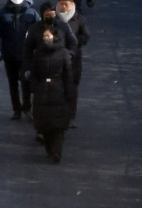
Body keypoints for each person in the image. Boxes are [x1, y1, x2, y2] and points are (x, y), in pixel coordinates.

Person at [30, 28, 75, 163]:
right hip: (42, 91)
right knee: (44, 124)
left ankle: (57, 151)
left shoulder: (63, 53)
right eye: (44, 36)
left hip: (58, 90)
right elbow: (34, 73)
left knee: (58, 125)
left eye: (48, 36)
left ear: (55, 37)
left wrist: (69, 91)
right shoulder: (38, 53)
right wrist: (34, 88)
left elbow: (68, 74)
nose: (46, 39)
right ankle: (49, 148)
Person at [0, 0, 40, 121]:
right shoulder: (2, 14)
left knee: (26, 83)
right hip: (9, 55)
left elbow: (40, 31)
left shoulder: (32, 13)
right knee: (12, 84)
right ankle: (16, 110)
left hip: (26, 56)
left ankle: (27, 108)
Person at [22, 1, 78, 103]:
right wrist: (27, 67)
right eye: (48, 15)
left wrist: (69, 55)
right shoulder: (34, 29)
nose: (51, 17)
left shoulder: (63, 27)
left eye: (53, 14)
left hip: (59, 65)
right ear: (42, 15)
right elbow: (27, 49)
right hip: (41, 66)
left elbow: (73, 43)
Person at [57, 0, 90, 128]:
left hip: (73, 59)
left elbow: (86, 36)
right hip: (57, 58)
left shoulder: (79, 19)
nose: (63, 7)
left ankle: (70, 116)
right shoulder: (54, 18)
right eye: (61, 3)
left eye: (66, 4)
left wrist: (74, 43)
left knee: (72, 87)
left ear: (72, 5)